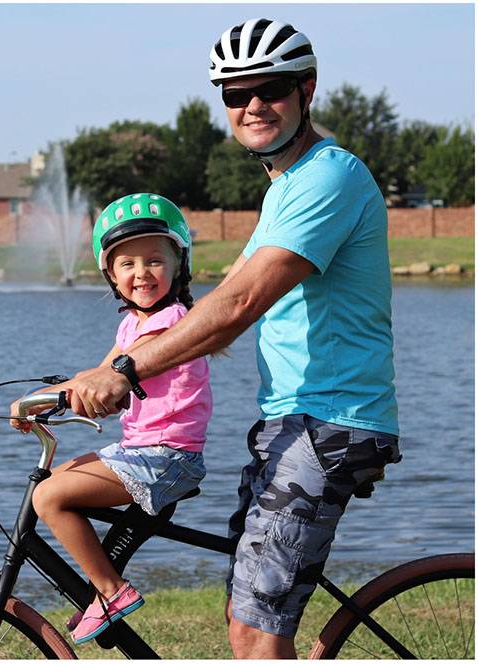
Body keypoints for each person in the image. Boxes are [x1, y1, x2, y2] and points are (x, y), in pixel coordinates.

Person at [59, 18, 400, 658]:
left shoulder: (329, 177)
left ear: (307, 89)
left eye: (268, 88)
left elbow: (240, 304)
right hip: (290, 419)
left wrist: (126, 371)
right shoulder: (287, 187)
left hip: (330, 420)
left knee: (257, 630)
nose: (251, 106)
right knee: (246, 613)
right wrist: (86, 378)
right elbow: (207, 314)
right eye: (234, 94)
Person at [12, 194, 212, 644]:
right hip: (142, 450)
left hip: (166, 456)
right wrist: (37, 400)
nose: (141, 273)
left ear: (178, 265)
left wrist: (62, 396)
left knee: (49, 498)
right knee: (57, 480)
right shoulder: (132, 324)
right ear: (111, 274)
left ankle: (110, 592)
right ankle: (101, 587)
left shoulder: (171, 321)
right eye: (127, 264)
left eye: (154, 261)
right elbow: (96, 376)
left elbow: (112, 379)